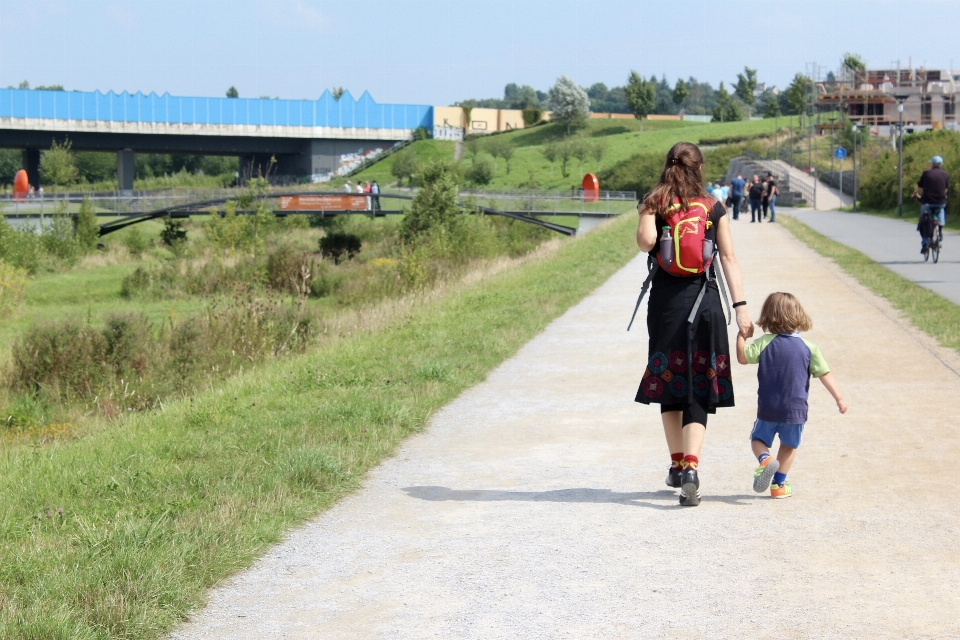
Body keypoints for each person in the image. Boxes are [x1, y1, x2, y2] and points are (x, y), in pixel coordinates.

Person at [635, 141, 753, 507]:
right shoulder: (713, 207)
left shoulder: (656, 201)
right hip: (707, 304)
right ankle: (690, 468)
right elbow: (729, 259)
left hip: (667, 304)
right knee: (699, 384)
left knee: (669, 380)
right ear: (699, 169)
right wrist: (742, 309)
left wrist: (645, 210)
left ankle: (675, 463)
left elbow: (646, 243)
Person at [736, 292, 847, 499]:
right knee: (789, 446)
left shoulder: (765, 342)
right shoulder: (808, 348)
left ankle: (765, 459)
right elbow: (825, 374)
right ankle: (779, 485)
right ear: (798, 315)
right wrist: (839, 398)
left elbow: (743, 358)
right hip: (795, 410)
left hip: (768, 407)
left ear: (768, 316)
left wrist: (742, 336)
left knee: (758, 439)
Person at [912, 155, 949, 253]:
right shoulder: (945, 174)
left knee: (924, 222)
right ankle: (940, 230)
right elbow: (946, 188)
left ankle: (925, 244)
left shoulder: (926, 173)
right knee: (940, 211)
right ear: (940, 165)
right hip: (941, 201)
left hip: (927, 202)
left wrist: (915, 193)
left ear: (932, 164)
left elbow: (919, 186)